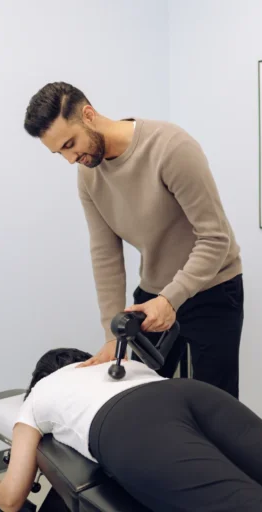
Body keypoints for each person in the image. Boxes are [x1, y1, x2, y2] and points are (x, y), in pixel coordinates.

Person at [22, 82, 244, 399]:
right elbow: (105, 256)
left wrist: (172, 298)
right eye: (61, 153)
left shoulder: (171, 148)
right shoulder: (88, 173)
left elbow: (215, 237)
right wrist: (111, 336)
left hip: (213, 289)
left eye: (71, 144)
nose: (72, 159)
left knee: (217, 406)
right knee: (144, 400)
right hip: (151, 295)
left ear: (88, 115)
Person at [0, 348, 262, 512]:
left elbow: (12, 495)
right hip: (192, 394)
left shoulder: (40, 394)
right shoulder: (119, 364)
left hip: (130, 425)